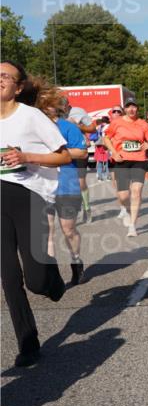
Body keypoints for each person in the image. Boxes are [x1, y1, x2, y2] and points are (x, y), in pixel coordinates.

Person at [0, 61, 70, 367]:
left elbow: (63, 155)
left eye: (5, 76)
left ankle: (51, 280)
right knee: (8, 276)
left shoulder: (31, 117)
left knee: (36, 282)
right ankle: (28, 344)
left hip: (30, 197)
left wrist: (26, 156)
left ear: (18, 87)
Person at [44, 95, 89, 286]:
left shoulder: (68, 127)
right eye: (42, 102)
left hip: (67, 185)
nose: (46, 106)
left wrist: (57, 153)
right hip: (43, 185)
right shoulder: (35, 127)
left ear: (57, 107)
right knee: (47, 231)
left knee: (68, 229)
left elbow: (82, 152)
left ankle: (76, 261)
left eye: (49, 103)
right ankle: (51, 274)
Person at [104, 99, 148, 237]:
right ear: (125, 109)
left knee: (136, 191)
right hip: (122, 160)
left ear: (137, 109)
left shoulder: (143, 124)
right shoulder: (117, 122)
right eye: (128, 107)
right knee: (123, 195)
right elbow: (106, 139)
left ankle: (132, 226)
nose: (131, 109)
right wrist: (114, 153)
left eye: (134, 106)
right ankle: (127, 210)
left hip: (139, 160)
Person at [67, 105, 96, 222]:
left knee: (80, 182)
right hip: (62, 150)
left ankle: (86, 208)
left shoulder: (78, 111)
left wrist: (77, 126)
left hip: (79, 149)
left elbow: (92, 128)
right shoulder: (53, 114)